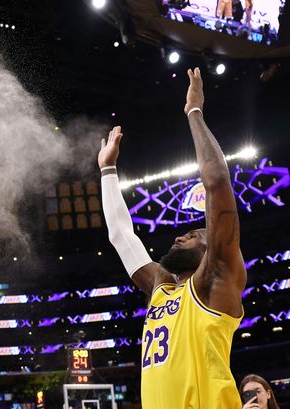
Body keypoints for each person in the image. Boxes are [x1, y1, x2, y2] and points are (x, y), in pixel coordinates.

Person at [98, 67, 246, 408]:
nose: (180, 236)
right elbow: (121, 236)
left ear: (211, 249)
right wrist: (108, 171)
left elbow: (217, 183)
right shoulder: (162, 288)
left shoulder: (215, 282)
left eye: (193, 234)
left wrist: (194, 112)